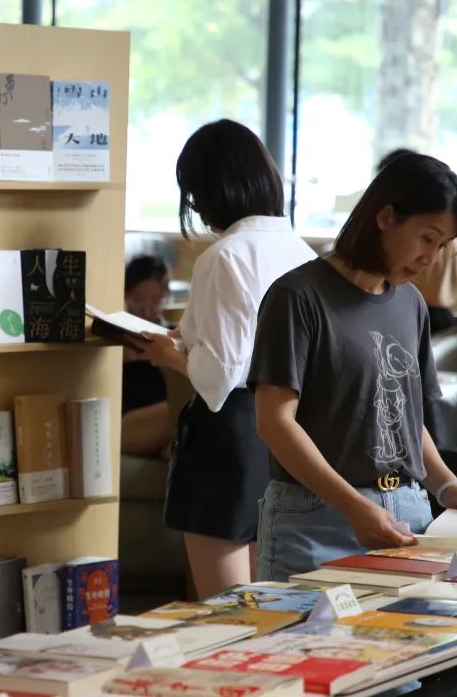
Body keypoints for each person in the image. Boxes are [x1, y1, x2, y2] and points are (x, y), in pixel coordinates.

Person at [249, 152, 457, 583]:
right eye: (427, 238)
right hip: (315, 519)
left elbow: (407, 421)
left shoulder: (411, 304)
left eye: (442, 246)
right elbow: (274, 422)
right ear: (385, 217)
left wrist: (447, 487)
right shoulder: (297, 296)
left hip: (408, 512)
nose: (432, 258)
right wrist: (353, 506)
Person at [138, 118, 317, 598]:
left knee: (227, 609)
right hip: (289, 432)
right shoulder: (301, 251)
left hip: (230, 439)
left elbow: (220, 376)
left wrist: (169, 355)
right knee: (271, 602)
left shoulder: (225, 255)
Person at [379, 149, 457, 333]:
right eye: (427, 239)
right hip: (444, 316)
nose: (430, 259)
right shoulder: (452, 237)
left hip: (418, 316)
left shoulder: (440, 230)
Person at [121, 255, 172, 456]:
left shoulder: (173, 334)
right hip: (128, 420)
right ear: (126, 295)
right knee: (182, 410)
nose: (147, 310)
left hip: (161, 419)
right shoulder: (113, 334)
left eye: (155, 301)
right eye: (138, 300)